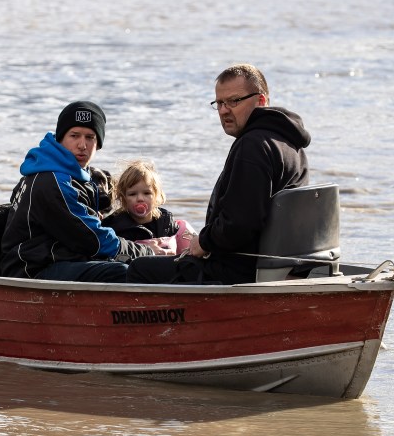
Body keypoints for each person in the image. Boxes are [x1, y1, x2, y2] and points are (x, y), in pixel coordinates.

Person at [126, 63, 310, 285]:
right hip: (278, 264)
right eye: (220, 103)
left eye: (234, 101)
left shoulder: (253, 146)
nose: (224, 110)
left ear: (260, 101)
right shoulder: (290, 144)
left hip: (237, 271)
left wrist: (202, 242)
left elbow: (240, 224)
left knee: (138, 268)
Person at [0, 101, 169, 283]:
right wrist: (146, 252)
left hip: (64, 258)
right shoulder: (52, 182)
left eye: (90, 137)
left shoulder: (82, 176)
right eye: (74, 135)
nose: (82, 145)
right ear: (61, 138)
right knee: (124, 271)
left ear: (98, 143)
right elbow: (93, 239)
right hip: (32, 270)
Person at [102, 159, 194, 252]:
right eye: (132, 194)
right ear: (123, 198)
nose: (140, 198)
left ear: (156, 195)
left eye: (146, 193)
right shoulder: (116, 227)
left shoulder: (166, 222)